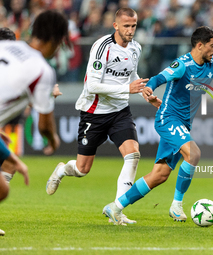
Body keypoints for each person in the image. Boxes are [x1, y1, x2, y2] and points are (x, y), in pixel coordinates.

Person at [102, 26, 213, 225]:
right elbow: (160, 77)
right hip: (168, 119)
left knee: (160, 175)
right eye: (212, 45)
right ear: (199, 45)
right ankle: (176, 205)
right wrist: (149, 87)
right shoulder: (182, 65)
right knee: (194, 154)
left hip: (183, 124)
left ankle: (115, 207)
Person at [46, 7, 160, 225]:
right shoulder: (102, 47)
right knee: (82, 169)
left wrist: (144, 90)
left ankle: (117, 209)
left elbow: (131, 74)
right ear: (115, 25)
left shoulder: (136, 48)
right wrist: (128, 89)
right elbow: (92, 85)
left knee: (133, 155)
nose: (130, 30)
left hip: (120, 111)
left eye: (134, 26)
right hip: (94, 112)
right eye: (126, 26)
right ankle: (61, 170)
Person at [0, 10, 68, 235]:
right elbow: (43, 125)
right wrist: (53, 139)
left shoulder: (7, 47)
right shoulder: (42, 70)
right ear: (57, 41)